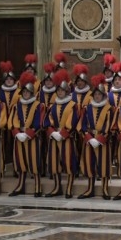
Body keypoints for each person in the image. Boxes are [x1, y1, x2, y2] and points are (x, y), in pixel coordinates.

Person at [43, 70, 79, 198]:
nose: (60, 92)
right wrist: (52, 132)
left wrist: (63, 133)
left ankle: (69, 188)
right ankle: (57, 187)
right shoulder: (53, 106)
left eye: (62, 91)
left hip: (66, 138)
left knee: (69, 162)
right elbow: (47, 121)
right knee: (54, 163)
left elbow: (73, 121)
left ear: (67, 91)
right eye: (58, 91)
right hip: (54, 138)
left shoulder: (73, 105)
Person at [8, 72, 45, 197]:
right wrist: (17, 133)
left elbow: (39, 123)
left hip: (32, 138)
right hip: (19, 137)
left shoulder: (38, 106)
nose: (25, 94)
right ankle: (20, 185)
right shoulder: (16, 106)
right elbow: (12, 121)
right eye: (23, 92)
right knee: (20, 161)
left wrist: (29, 134)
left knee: (34, 161)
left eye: (27, 92)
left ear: (32, 93)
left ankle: (37, 185)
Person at [79, 76, 116, 200]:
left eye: (100, 94)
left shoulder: (108, 110)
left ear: (104, 96)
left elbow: (110, 125)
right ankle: (90, 189)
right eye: (96, 94)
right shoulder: (87, 108)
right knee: (90, 165)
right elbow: (82, 125)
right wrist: (89, 137)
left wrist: (100, 138)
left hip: (102, 141)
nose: (97, 96)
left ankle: (104, 189)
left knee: (104, 165)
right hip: (89, 140)